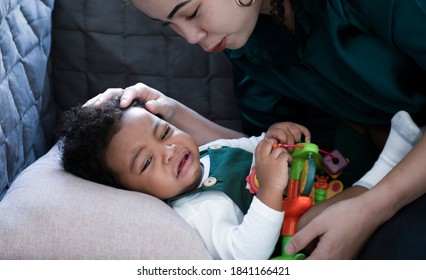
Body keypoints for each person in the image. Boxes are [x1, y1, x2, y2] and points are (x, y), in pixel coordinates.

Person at [87, 0, 426, 259]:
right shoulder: (249, 44)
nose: (191, 38)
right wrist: (168, 111)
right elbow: (257, 157)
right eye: (169, 24)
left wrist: (372, 205)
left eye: (190, 12)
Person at [58, 96, 313, 259]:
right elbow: (244, 256)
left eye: (164, 133)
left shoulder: (209, 151)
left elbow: (252, 147)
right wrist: (269, 189)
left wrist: (272, 138)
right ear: (130, 193)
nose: (169, 151)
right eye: (147, 162)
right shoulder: (195, 211)